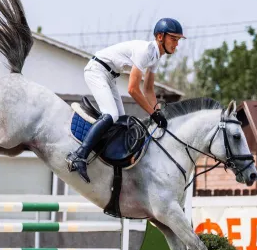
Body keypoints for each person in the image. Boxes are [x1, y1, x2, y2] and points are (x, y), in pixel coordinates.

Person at [65, 17, 185, 183]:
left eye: (178, 40)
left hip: (110, 76)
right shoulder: (145, 51)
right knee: (111, 115)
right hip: (96, 71)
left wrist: (158, 113)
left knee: (120, 121)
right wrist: (152, 114)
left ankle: (107, 160)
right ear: (160, 37)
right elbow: (133, 89)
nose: (176, 44)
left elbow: (148, 90)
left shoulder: (155, 57)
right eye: (173, 39)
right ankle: (79, 156)